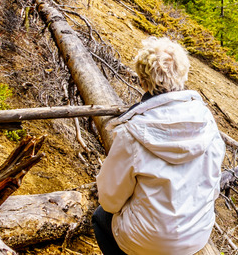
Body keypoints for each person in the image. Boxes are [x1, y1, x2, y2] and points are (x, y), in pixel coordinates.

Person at [92, 37, 226, 255]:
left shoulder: (132, 131)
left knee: (100, 218)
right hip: (197, 233)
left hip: (148, 240)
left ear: (142, 80)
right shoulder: (206, 122)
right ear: (183, 74)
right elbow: (213, 183)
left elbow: (110, 199)